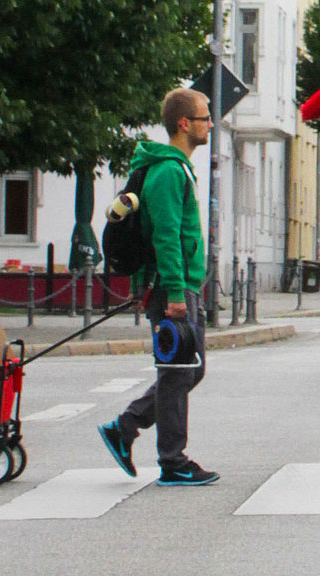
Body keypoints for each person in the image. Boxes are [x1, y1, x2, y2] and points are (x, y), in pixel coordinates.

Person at [97, 87, 217, 487]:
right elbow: (165, 234)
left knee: (186, 370)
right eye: (205, 117)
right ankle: (172, 460)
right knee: (179, 372)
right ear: (185, 124)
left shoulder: (177, 167)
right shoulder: (168, 171)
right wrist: (176, 291)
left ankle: (125, 427)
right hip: (173, 287)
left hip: (178, 284)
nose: (211, 124)